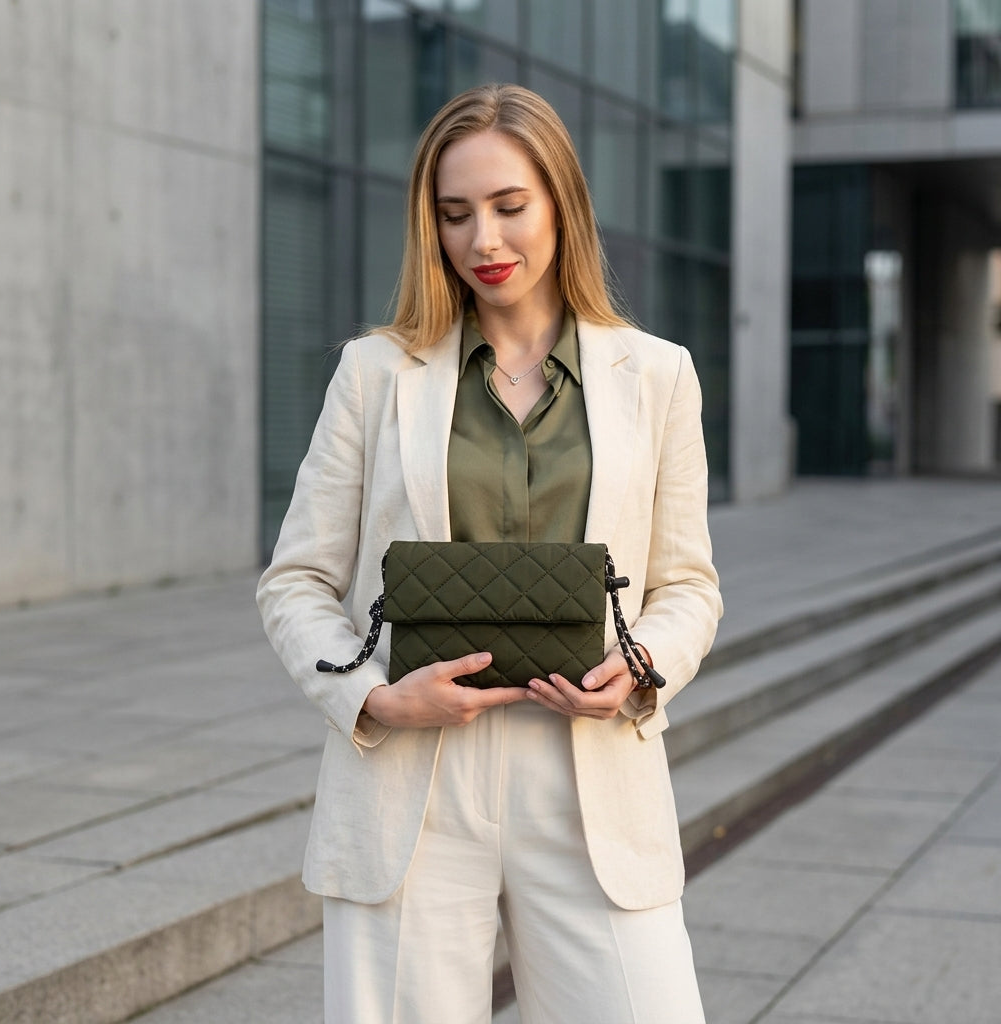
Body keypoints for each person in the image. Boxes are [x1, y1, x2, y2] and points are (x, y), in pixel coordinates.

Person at [257, 83, 722, 1023]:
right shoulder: (374, 372)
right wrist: (372, 696)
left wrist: (640, 668)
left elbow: (688, 586)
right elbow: (296, 580)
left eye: (510, 207)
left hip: (589, 779)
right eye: (455, 214)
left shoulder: (657, 375)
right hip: (412, 786)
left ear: (562, 202)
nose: (484, 242)